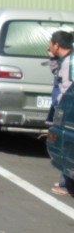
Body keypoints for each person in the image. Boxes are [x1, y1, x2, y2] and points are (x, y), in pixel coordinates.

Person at [46, 30, 72, 196]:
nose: (48, 46)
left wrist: (61, 106)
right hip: (63, 107)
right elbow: (56, 74)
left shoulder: (70, 62)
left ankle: (66, 184)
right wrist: (52, 58)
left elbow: (69, 88)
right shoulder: (63, 59)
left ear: (57, 45)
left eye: (50, 43)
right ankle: (65, 181)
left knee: (66, 144)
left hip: (67, 109)